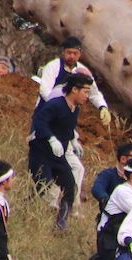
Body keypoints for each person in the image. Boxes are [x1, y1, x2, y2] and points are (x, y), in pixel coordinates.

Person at [28, 72, 90, 231]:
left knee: (70, 186)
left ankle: (61, 221)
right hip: (41, 152)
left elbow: (67, 128)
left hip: (59, 155)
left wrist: (73, 141)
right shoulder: (55, 104)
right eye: (85, 91)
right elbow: (39, 122)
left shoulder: (75, 109)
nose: (87, 96)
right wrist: (51, 138)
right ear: (75, 90)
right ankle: (31, 215)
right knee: (45, 186)